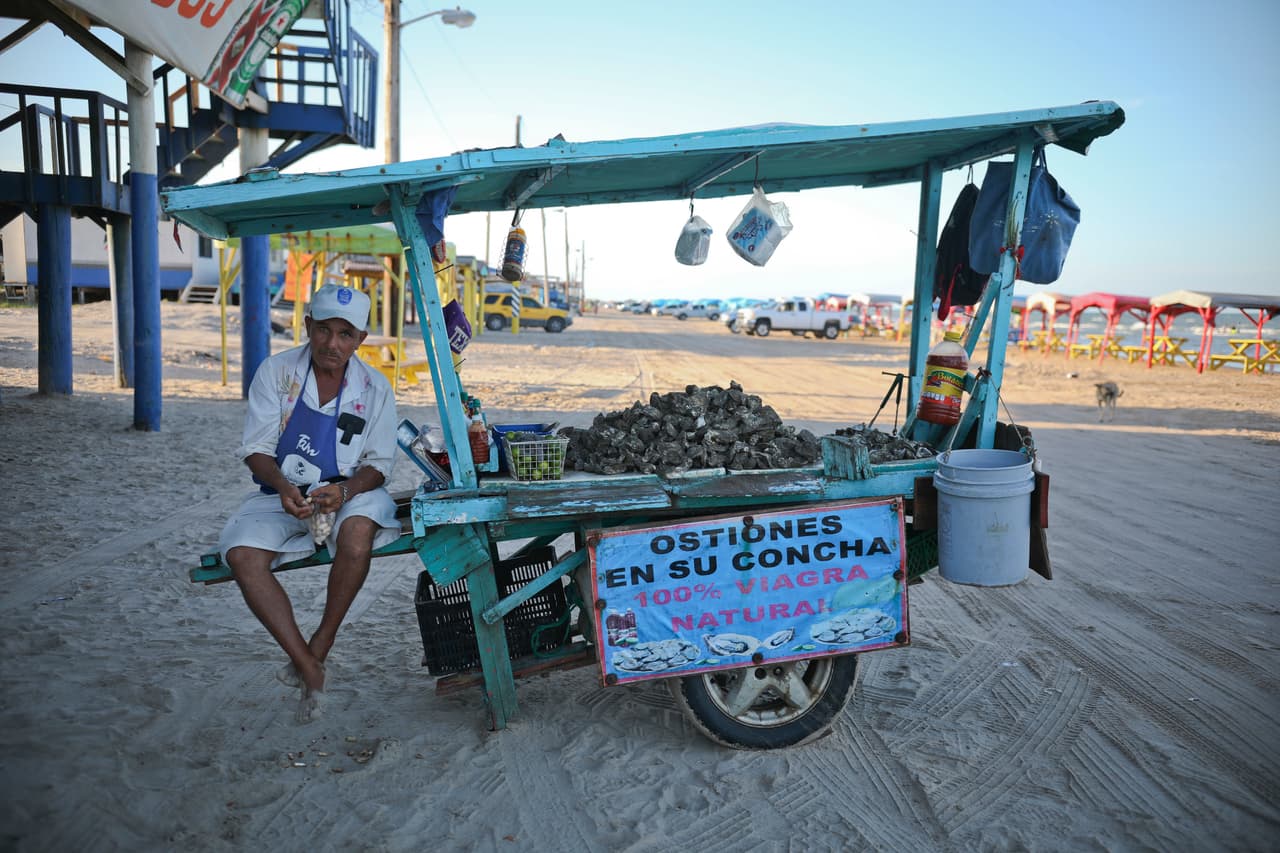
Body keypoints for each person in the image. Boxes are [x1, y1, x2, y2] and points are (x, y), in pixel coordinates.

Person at [218, 284, 400, 723]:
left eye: (344, 334)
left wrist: (344, 492)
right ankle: (307, 666)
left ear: (361, 339)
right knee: (242, 556)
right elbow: (256, 448)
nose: (331, 343)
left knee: (357, 536)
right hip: (280, 491)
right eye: (323, 330)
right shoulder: (276, 372)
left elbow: (378, 465)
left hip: (349, 492)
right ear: (307, 327)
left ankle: (321, 644)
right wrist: (283, 487)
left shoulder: (375, 388)